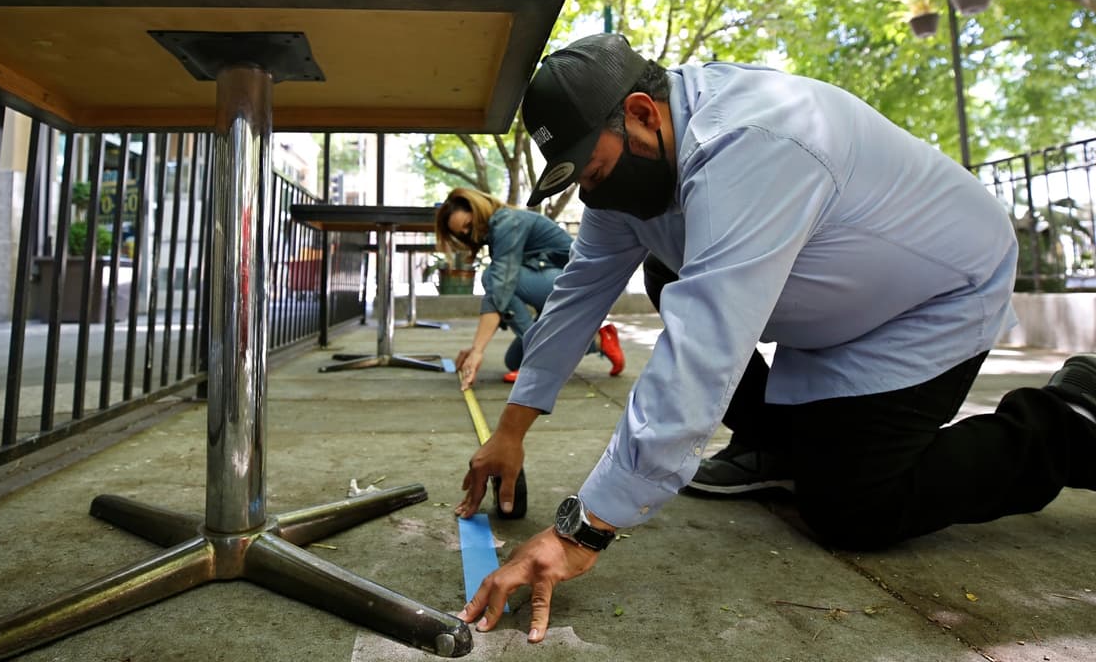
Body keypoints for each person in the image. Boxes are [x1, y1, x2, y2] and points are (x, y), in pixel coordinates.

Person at [453, 33, 1096, 643]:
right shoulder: (633, 176)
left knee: (855, 509)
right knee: (663, 260)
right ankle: (779, 447)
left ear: (643, 114)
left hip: (931, 298)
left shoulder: (751, 145)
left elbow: (704, 346)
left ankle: (1066, 422)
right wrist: (510, 430)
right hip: (837, 302)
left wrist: (579, 533)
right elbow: (576, 297)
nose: (596, 194)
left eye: (595, 172)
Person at [434, 187, 624, 387]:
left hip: (582, 288)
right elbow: (502, 299)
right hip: (561, 289)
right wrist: (475, 348)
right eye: (462, 233)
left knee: (493, 277)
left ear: (477, 209)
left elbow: (501, 289)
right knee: (514, 360)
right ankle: (600, 341)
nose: (467, 233)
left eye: (468, 225)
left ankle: (540, 363)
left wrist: (478, 350)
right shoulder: (498, 230)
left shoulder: (508, 223)